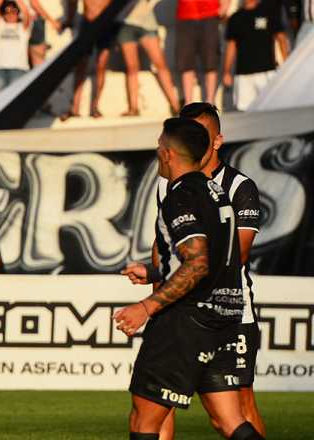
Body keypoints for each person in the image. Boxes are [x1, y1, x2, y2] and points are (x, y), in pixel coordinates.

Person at [122, 102, 267, 438]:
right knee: (228, 419)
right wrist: (157, 273)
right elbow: (201, 252)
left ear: (171, 152)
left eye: (161, 145)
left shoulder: (196, 192)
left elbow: (208, 260)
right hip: (218, 314)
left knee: (146, 418)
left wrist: (147, 306)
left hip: (190, 315)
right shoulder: (208, 192)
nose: (158, 151)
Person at [224, 0, 291, 111]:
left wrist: (287, 63)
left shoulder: (269, 12)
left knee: (270, 109)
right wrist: (226, 72)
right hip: (243, 75)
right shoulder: (235, 18)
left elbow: (281, 39)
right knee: (244, 111)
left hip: (267, 72)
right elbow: (231, 46)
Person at [116, 0, 180, 116]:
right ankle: (133, 108)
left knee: (160, 63)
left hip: (146, 22)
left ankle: (175, 106)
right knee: (131, 67)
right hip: (124, 23)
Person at [61, 0, 116, 120]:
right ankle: (75, 107)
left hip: (106, 24)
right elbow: (72, 2)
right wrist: (69, 20)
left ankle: (95, 106)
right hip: (88, 23)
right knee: (80, 66)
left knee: (101, 66)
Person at [175, 0, 226, 104]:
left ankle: (210, 102)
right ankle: (188, 104)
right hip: (185, 16)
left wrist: (226, 4)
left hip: (210, 15)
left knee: (211, 61)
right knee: (186, 62)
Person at [0, 0, 33, 97]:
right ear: (3, 14)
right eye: (7, 11)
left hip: (19, 69)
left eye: (13, 11)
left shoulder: (23, 27)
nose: (10, 14)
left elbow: (26, 13)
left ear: (18, 13)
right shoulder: (0, 25)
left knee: (16, 101)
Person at [28, 0, 62, 67]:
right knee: (40, 65)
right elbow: (34, 3)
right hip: (42, 25)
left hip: (60, 26)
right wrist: (52, 21)